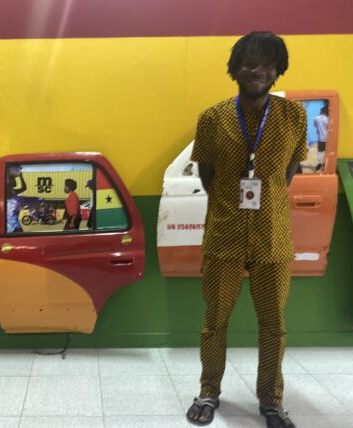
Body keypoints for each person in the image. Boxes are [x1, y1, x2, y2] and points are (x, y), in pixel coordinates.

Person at [186, 31, 307, 428]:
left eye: (269, 64)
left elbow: (287, 174)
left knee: (274, 324)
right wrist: (231, 206)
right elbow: (207, 176)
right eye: (251, 63)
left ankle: (271, 400)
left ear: (279, 70)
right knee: (215, 320)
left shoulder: (294, 116)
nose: (260, 71)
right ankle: (208, 391)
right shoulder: (212, 118)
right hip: (225, 235)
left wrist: (263, 199)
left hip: (273, 237)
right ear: (235, 69)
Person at [6, 164, 27, 233]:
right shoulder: (7, 191)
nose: (15, 180)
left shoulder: (13, 191)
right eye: (13, 179)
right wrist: (7, 174)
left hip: (15, 224)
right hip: (11, 225)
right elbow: (7, 183)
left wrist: (21, 176)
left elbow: (24, 188)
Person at [313, 103, 328, 172]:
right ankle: (324, 165)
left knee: (320, 151)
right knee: (327, 151)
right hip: (328, 138)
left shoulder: (316, 118)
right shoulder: (328, 119)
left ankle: (320, 164)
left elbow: (315, 126)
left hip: (320, 138)